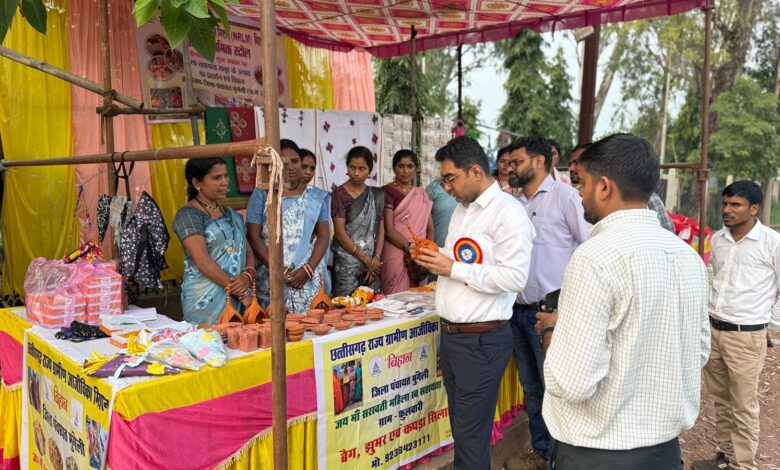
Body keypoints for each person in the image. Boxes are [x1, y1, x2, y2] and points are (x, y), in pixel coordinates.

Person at [536, 133, 710, 468]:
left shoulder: (594, 257)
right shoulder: (687, 257)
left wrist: (550, 334)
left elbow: (573, 383)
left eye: (582, 184)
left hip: (597, 454)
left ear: (604, 186)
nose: (580, 194)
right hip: (664, 452)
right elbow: (697, 350)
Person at [414, 136, 534, 470]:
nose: (446, 188)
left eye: (450, 179)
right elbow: (457, 261)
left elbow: (514, 277)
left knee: (470, 440)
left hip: (480, 340)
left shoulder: (508, 214)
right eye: (443, 180)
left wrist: (452, 267)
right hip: (454, 337)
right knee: (465, 434)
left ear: (476, 171)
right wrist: (437, 257)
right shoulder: (463, 211)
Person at [505, 136, 590, 468]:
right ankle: (543, 454)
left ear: (539, 162)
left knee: (556, 390)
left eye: (518, 162)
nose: (511, 168)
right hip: (515, 309)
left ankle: (563, 460)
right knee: (531, 387)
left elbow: (587, 248)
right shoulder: (513, 202)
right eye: (509, 163)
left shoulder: (566, 198)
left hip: (549, 312)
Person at [704, 181, 780, 470]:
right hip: (714, 330)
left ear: (755, 208)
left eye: (735, 205)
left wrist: (767, 326)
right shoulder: (720, 239)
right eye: (725, 204)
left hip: (746, 336)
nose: (727, 210)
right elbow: (715, 278)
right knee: (721, 401)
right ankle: (724, 457)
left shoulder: (772, 242)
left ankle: (743, 465)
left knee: (744, 407)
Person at [246, 139, 331, 313]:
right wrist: (279, 269)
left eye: (295, 161)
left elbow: (323, 236)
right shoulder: (262, 193)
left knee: (310, 328)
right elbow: (253, 236)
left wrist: (308, 269)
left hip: (307, 275)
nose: (291, 167)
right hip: (272, 274)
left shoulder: (316, 196)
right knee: (276, 328)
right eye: (284, 162)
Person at [173, 158, 255, 325]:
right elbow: (202, 261)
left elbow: (247, 251)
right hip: (205, 300)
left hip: (239, 294)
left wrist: (248, 274)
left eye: (226, 176)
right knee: (210, 345)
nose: (225, 182)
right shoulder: (189, 215)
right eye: (216, 178)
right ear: (197, 183)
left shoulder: (231, 214)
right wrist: (241, 293)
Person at [569, 142, 675, 232]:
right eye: (570, 164)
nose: (572, 168)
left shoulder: (652, 200)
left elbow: (668, 231)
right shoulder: (573, 198)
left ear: (604, 187)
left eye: (578, 162)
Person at [331, 146, 385, 296]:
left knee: (372, 307)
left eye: (362, 168)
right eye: (352, 167)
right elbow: (340, 234)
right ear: (347, 167)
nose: (356, 173)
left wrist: (376, 259)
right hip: (346, 264)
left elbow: (381, 229)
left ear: (369, 170)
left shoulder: (377, 194)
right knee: (345, 308)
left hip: (372, 265)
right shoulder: (339, 194)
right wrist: (366, 260)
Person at [381, 149, 434, 294]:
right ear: (393, 168)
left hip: (419, 254)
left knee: (418, 297)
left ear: (416, 169)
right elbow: (389, 230)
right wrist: (410, 248)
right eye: (401, 166)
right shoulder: (387, 192)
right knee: (395, 297)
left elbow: (430, 228)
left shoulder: (421, 194)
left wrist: (428, 252)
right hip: (395, 250)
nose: (405, 171)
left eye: (410, 166)